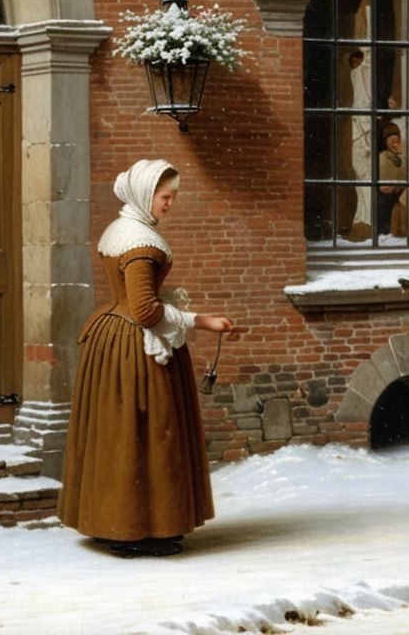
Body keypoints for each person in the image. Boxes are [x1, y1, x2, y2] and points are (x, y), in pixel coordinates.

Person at [60, 160, 240, 558]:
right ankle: (136, 529)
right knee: (150, 433)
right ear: (145, 195)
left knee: (118, 435)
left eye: (173, 196)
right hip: (134, 348)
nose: (169, 203)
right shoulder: (142, 243)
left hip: (111, 339)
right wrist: (200, 320)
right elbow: (143, 310)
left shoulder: (119, 228)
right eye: (164, 197)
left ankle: (114, 522)